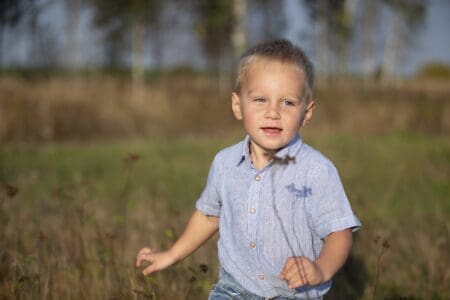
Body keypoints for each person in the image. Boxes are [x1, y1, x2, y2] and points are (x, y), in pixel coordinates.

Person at [136, 39, 361, 299]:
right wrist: (171, 255)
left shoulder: (316, 170)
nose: (273, 112)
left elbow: (339, 233)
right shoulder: (225, 163)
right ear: (237, 105)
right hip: (234, 288)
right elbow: (209, 216)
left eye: (287, 102)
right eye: (260, 100)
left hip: (294, 294)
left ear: (306, 113)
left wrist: (321, 269)